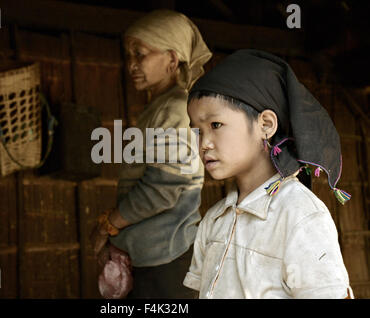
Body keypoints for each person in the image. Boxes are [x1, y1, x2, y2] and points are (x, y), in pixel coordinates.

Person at [183, 49, 354, 299]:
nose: (204, 143)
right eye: (197, 131)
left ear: (265, 125)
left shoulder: (300, 216)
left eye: (216, 125)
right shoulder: (215, 219)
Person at [91, 10, 212, 298]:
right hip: (155, 257)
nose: (131, 64)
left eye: (140, 54)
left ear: (172, 59)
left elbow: (162, 190)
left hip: (167, 261)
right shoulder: (158, 108)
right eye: (128, 55)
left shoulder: (174, 109)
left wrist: (109, 225)